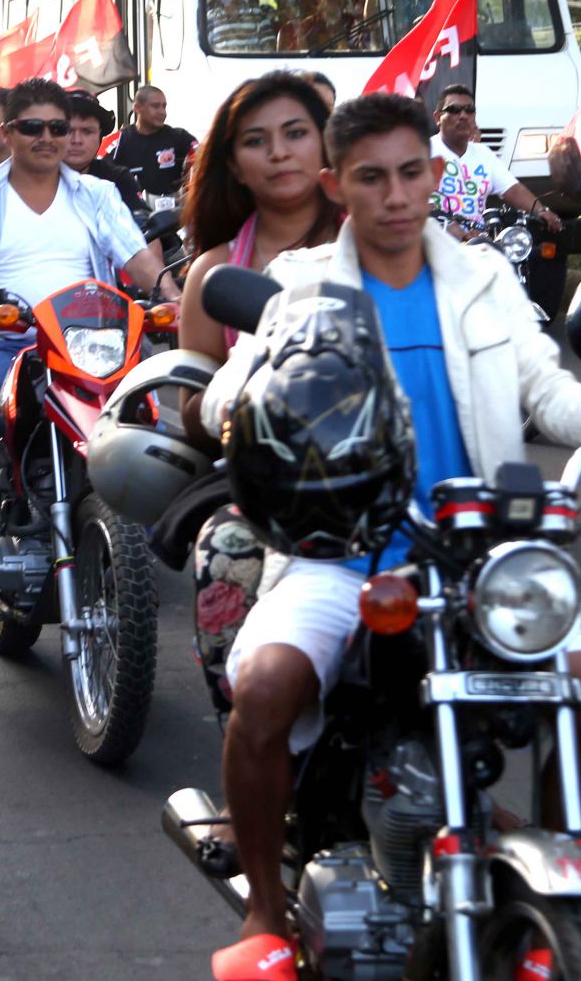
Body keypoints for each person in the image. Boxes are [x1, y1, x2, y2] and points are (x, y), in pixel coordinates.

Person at [197, 92, 581, 962]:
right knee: (266, 691)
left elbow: (544, 387)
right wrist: (258, 410)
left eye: (409, 174)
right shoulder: (303, 283)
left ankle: (551, 876)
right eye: (370, 178)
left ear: (435, 174)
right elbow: (227, 395)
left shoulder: (483, 276)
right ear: (335, 185)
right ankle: (266, 909)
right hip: (343, 555)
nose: (394, 196)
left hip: (478, 557)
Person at [0, 78, 181, 623]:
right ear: (8, 132)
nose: (47, 137)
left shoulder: (97, 194)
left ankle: (141, 544)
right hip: (3, 340)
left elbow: (138, 259)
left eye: (57, 127)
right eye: (32, 127)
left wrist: (171, 294)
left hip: (90, 344)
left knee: (147, 429)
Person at [174, 71, 340, 709]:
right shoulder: (214, 271)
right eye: (256, 140)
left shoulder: (381, 237)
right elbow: (192, 411)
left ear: (326, 144)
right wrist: (249, 404)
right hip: (263, 483)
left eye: (296, 133)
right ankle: (248, 741)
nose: (278, 152)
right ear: (233, 165)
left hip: (392, 470)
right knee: (227, 553)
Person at [429, 83, 559, 233]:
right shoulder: (425, 151)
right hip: (434, 240)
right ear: (438, 118)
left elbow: (513, 189)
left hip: (477, 240)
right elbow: (418, 203)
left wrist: (541, 210)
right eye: (454, 110)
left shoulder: (484, 154)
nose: (463, 115)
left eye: (469, 110)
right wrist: (454, 230)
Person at [102, 85, 196, 199]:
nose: (162, 112)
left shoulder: (179, 137)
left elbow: (204, 156)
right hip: (131, 207)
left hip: (174, 206)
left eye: (164, 106)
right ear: (137, 108)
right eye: (155, 106)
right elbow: (98, 177)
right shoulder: (119, 140)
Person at [62, 90, 144, 215]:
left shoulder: (118, 179)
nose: (77, 140)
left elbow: (141, 220)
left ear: (100, 136)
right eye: (67, 131)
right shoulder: (32, 179)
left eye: (87, 131)